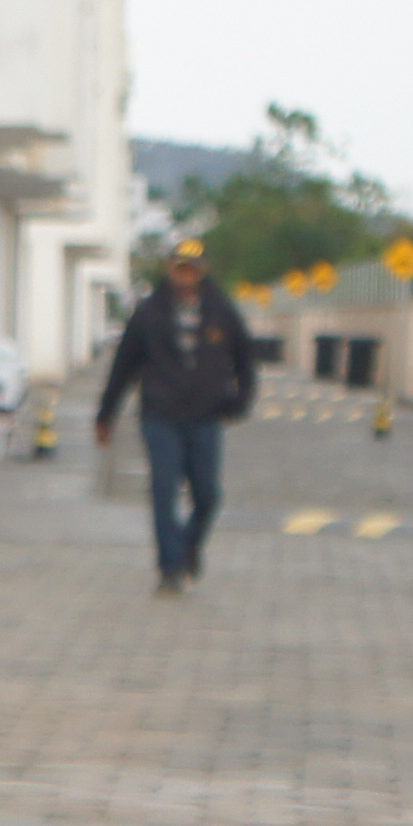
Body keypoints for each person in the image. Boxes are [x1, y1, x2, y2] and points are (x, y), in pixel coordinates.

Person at [92, 240, 259, 593]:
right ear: (169, 270)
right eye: (179, 268)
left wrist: (240, 401)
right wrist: (106, 414)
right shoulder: (148, 313)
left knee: (208, 495)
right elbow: (123, 366)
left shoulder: (221, 311)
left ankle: (189, 545)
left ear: (203, 271)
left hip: (205, 417)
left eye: (192, 269)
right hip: (160, 416)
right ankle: (170, 567)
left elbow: (244, 357)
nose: (185, 276)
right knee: (163, 490)